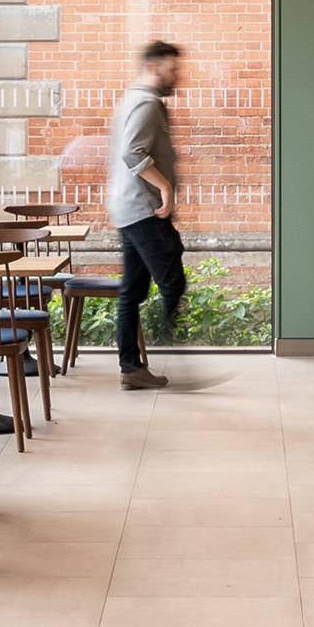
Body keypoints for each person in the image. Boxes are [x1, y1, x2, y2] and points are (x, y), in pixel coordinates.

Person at [110, 39, 189, 391]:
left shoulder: (134, 99)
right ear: (154, 68)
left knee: (132, 290)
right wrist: (166, 188)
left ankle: (131, 367)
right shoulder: (145, 104)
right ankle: (171, 338)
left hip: (130, 209)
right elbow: (132, 153)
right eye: (173, 70)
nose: (178, 77)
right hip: (144, 209)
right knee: (172, 277)